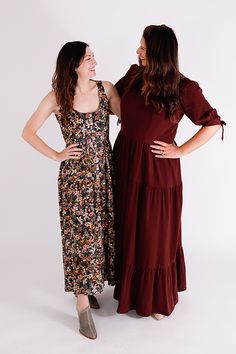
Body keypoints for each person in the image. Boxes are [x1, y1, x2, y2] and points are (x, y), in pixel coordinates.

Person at [113, 25, 225, 320]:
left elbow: (213, 123)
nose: (137, 52)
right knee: (128, 226)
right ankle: (130, 291)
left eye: (143, 48)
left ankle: (156, 298)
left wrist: (181, 150)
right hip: (125, 160)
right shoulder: (134, 76)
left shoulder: (184, 88)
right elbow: (111, 103)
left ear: (159, 53)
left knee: (154, 232)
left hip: (156, 168)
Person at [22, 41, 120, 339]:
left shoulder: (106, 89)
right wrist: (55, 154)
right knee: (80, 237)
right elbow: (28, 131)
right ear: (73, 63)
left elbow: (131, 120)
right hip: (75, 179)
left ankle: (90, 285)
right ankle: (81, 302)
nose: (94, 61)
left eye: (93, 56)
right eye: (88, 58)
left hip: (105, 174)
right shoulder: (57, 96)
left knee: (102, 232)